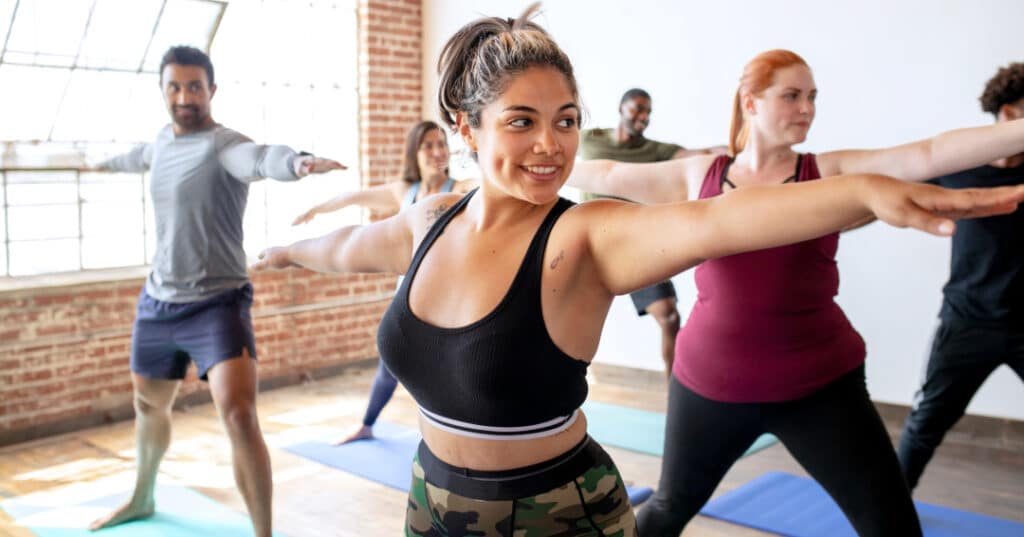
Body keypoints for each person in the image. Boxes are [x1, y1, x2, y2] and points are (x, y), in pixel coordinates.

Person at [253, 16, 1024, 536]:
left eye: (564, 118)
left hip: (563, 508)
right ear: (466, 126)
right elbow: (355, 245)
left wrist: (857, 192)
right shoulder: (433, 221)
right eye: (522, 120)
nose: (551, 143)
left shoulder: (586, 236)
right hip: (432, 501)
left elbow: (720, 223)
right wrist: (287, 251)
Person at [567, 49, 1024, 536]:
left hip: (820, 387)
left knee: (892, 525)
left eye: (812, 97)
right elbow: (606, 174)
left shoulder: (826, 172)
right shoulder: (697, 174)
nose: (806, 108)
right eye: (792, 96)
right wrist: (515, 159)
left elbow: (928, 154)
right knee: (665, 511)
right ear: (751, 102)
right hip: (709, 384)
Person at [86, 46, 345, 536]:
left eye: (194, 86)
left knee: (239, 413)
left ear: (211, 90)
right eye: (175, 86)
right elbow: (135, 157)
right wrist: (97, 163)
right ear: (164, 90)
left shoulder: (223, 144)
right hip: (159, 302)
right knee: (148, 406)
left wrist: (297, 162)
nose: (185, 96)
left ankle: (263, 532)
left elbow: (261, 157)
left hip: (218, 303)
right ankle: (142, 496)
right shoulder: (161, 141)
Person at [293, 120, 476, 445]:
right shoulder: (404, 192)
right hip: (407, 296)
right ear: (415, 153)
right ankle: (366, 425)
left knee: (456, 371)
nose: (437, 152)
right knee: (390, 365)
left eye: (441, 144)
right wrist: (317, 208)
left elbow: (491, 185)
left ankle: (461, 435)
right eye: (428, 145)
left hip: (449, 299)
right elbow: (354, 197)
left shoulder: (460, 189)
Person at [897, 62, 1024, 492]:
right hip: (968, 321)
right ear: (1007, 114)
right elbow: (893, 188)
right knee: (927, 421)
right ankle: (888, 511)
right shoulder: (958, 166)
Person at [580, 88, 725, 376]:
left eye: (648, 113)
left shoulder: (654, 151)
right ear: (621, 108)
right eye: (637, 110)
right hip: (590, 245)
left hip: (634, 246)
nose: (643, 118)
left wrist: (734, 150)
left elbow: (699, 155)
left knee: (669, 316)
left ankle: (675, 391)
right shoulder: (589, 139)